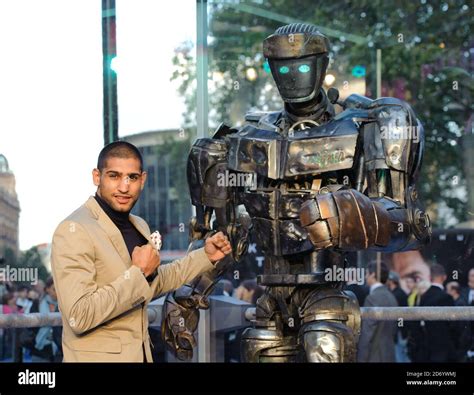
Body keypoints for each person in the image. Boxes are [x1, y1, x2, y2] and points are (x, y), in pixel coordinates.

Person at [51, 141, 232, 362]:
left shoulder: (139, 225)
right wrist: (137, 272)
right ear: (97, 177)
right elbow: (78, 317)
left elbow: (154, 281)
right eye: (114, 176)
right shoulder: (75, 229)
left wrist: (205, 255)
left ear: (143, 180)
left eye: (132, 177)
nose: (124, 187)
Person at [357, 261, 398, 362]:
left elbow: (367, 334)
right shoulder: (391, 296)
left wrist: (361, 359)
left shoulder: (372, 298)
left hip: (375, 355)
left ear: (373, 274)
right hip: (389, 353)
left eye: (367, 273)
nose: (366, 277)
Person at [415, 264, 457, 362]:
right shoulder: (447, 297)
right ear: (444, 277)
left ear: (430, 278)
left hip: (426, 348)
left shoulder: (423, 296)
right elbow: (453, 324)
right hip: (444, 348)